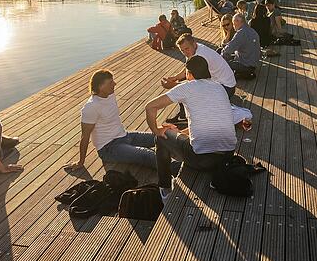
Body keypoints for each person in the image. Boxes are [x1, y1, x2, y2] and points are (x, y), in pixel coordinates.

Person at [145, 56, 237, 203]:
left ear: (190, 73)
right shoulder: (219, 87)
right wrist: (181, 133)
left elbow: (150, 107)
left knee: (161, 138)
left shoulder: (187, 87)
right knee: (175, 131)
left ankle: (165, 188)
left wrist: (157, 130)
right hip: (227, 155)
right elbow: (206, 120)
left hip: (202, 160)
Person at [64, 70, 158, 171]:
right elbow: (85, 136)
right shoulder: (91, 107)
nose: (115, 84)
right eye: (110, 82)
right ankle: (177, 169)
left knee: (162, 136)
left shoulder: (109, 94)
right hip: (109, 148)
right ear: (100, 87)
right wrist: (80, 162)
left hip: (124, 135)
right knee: (148, 155)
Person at [162, 34, 237, 125]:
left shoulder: (200, 56)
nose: (185, 52)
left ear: (194, 43)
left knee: (188, 90)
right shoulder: (195, 49)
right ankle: (183, 114)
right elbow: (188, 68)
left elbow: (197, 86)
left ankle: (190, 117)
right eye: (182, 50)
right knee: (183, 85)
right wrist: (174, 78)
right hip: (220, 83)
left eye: (186, 49)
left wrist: (172, 85)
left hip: (226, 88)